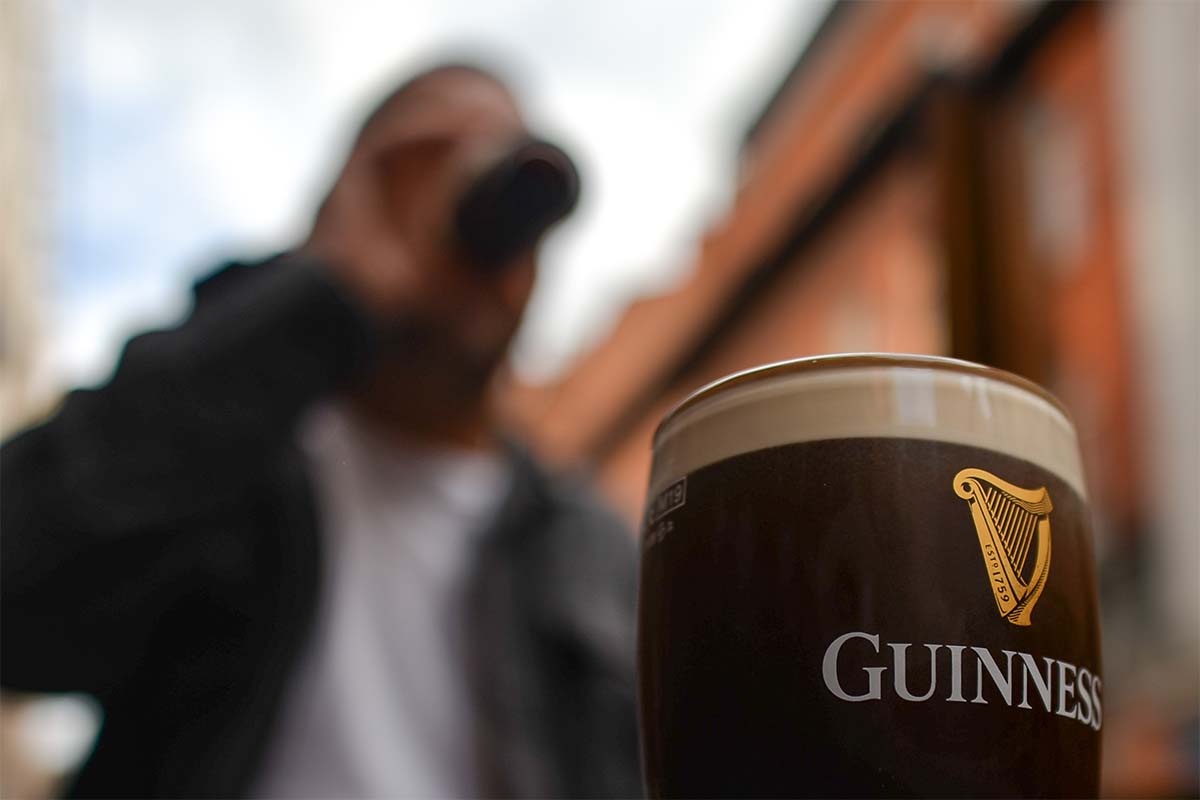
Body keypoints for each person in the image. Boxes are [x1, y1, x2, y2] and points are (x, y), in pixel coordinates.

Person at [1, 63, 641, 798]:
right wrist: (323, 296)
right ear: (340, 208)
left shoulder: (589, 544)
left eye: (513, 183)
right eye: (426, 169)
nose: (480, 226)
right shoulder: (222, 457)